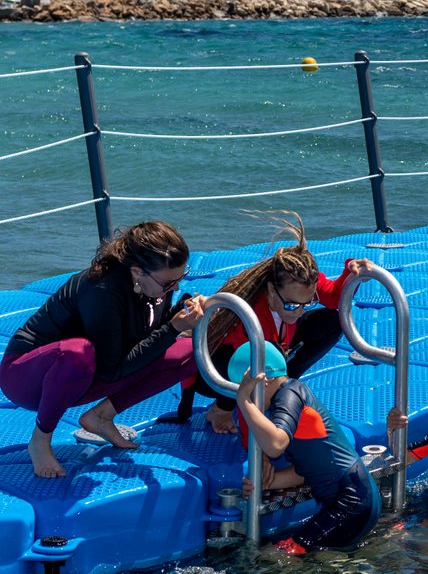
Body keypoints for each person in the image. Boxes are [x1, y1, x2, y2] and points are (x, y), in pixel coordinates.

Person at [0, 221, 203, 478]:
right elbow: (113, 370)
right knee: (78, 352)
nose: (174, 287)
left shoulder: (153, 285)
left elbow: (148, 337)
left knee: (190, 351)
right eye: (168, 283)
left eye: (180, 279)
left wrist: (181, 312)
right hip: (26, 377)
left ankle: (101, 417)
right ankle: (39, 440)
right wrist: (173, 328)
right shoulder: (103, 289)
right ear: (138, 271)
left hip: (85, 374)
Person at [181, 211, 371, 433]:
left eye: (306, 303)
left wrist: (353, 273)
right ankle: (221, 409)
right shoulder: (246, 310)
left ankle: (283, 383)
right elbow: (237, 363)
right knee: (252, 355)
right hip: (216, 375)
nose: (299, 312)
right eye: (291, 305)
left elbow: (333, 298)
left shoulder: (298, 286)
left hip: (271, 352)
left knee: (333, 320)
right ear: (271, 290)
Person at [233, 342, 380, 555]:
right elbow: (312, 471)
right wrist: (270, 482)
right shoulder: (288, 398)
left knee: (280, 558)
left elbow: (276, 444)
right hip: (357, 498)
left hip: (351, 500)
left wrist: (244, 401)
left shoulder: (290, 393)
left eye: (244, 387)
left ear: (264, 380)